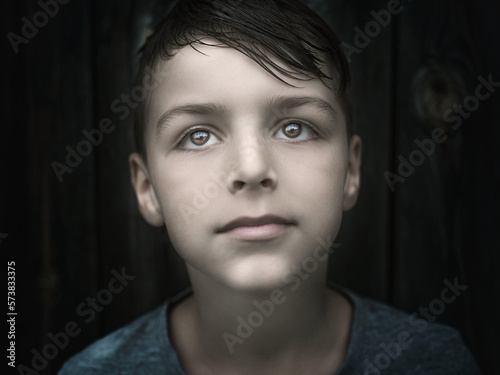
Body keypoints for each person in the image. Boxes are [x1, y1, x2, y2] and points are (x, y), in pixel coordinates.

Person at [58, 0, 482, 374]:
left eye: (295, 128)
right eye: (199, 135)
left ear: (351, 170)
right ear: (147, 189)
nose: (252, 167)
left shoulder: (436, 362)